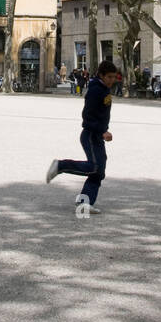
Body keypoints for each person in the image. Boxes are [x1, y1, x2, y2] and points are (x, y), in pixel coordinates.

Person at [45, 60, 119, 215]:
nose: (112, 80)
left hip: (98, 136)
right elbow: (87, 116)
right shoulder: (95, 91)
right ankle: (60, 165)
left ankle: (85, 202)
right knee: (95, 167)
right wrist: (101, 131)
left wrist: (104, 131)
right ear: (101, 75)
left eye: (114, 77)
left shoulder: (104, 89)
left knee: (99, 171)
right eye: (110, 77)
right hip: (91, 135)